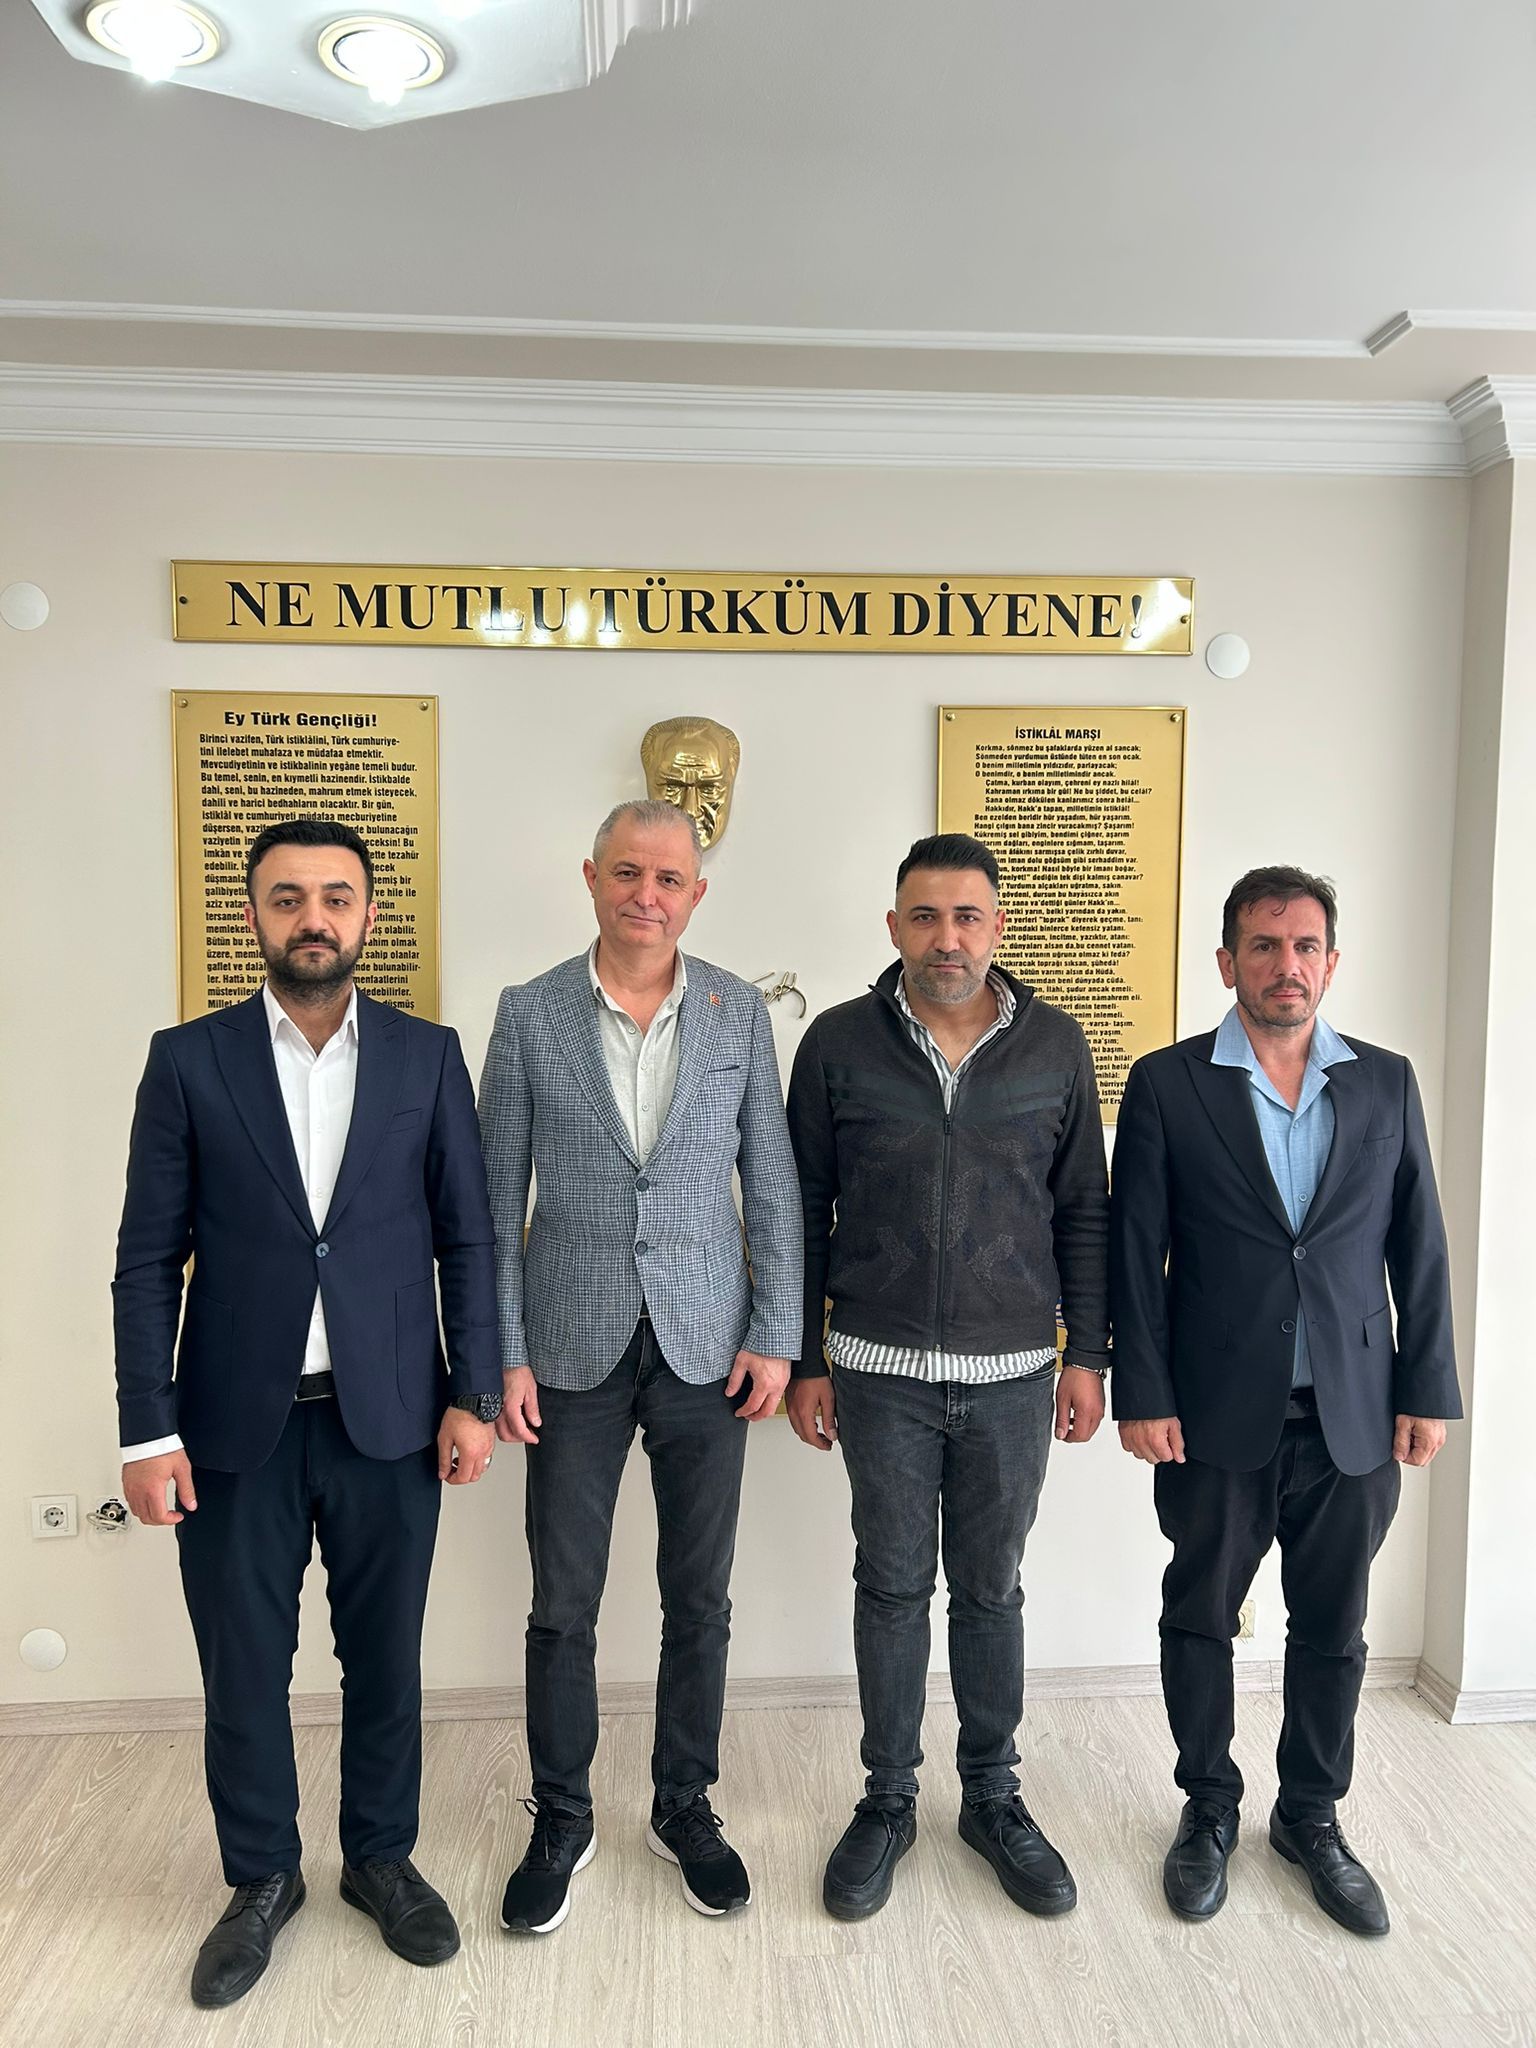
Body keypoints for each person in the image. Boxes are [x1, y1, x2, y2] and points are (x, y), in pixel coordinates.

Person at [113, 817, 503, 2009]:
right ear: (254, 917)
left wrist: (474, 1392)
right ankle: (262, 1877)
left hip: (392, 1416)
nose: (313, 917)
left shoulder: (427, 1056)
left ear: (368, 915)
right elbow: (147, 1259)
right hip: (234, 1425)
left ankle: (380, 1857)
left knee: (384, 1657)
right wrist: (146, 1427)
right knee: (243, 1664)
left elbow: (467, 1239)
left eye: (336, 895)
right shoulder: (189, 1059)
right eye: (288, 897)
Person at [1110, 865, 1461, 1936]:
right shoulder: (1168, 1084)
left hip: (1355, 1412)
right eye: (1263, 945)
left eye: (1305, 945)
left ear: (1331, 962)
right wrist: (1142, 1390)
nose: (1286, 964)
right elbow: (1135, 1253)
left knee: (1335, 1627)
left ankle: (1310, 1815)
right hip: (1213, 1412)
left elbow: (1420, 1245)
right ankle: (1208, 1807)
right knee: (1200, 1613)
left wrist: (1427, 1387)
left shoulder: (1386, 1083)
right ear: (1227, 962)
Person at [478, 798, 801, 1932]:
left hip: (709, 1344)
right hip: (567, 1345)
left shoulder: (737, 1012)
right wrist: (502, 1353)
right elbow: (492, 1201)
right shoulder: (528, 1014)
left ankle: (683, 1803)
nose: (646, 895)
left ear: (696, 894)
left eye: (668, 878)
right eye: (627, 872)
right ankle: (562, 1815)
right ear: (591, 878)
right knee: (562, 1601)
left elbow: (773, 1178)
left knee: (698, 1595)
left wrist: (778, 1328)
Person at [784, 833, 1110, 1921]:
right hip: (877, 1375)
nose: (947, 938)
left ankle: (992, 1797)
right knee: (889, 1585)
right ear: (894, 927)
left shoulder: (1055, 1045)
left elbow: (1084, 1210)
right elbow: (802, 1210)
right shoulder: (838, 1043)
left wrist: (1089, 1354)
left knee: (990, 1588)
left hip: (1014, 1374)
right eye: (924, 917)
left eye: (968, 916)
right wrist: (807, 1358)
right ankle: (887, 1800)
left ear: (997, 927)